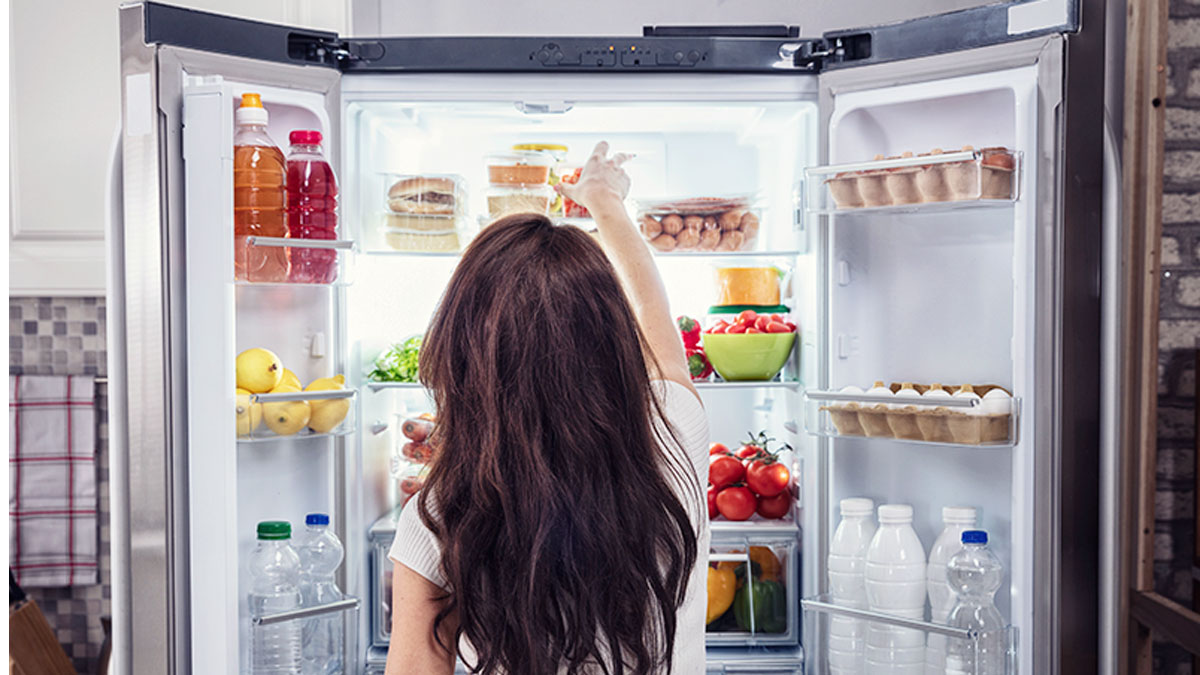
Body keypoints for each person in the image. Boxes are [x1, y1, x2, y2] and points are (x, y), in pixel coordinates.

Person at [385, 142, 709, 674]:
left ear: (464, 357)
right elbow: (655, 311)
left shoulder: (439, 517)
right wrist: (604, 201)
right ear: (614, 340)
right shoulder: (676, 431)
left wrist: (473, 445)